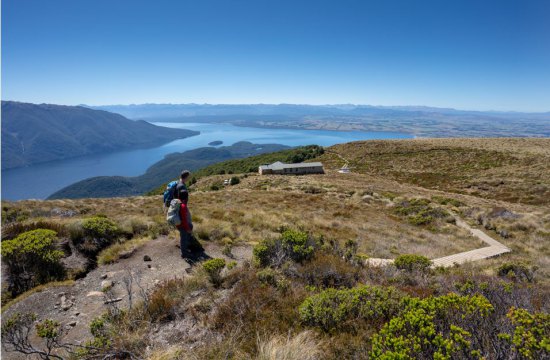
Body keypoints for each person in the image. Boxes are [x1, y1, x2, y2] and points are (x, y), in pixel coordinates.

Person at [176, 190, 193, 257]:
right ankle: (184, 254)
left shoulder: (177, 202)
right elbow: (184, 220)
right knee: (184, 238)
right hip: (182, 225)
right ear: (186, 197)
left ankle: (186, 246)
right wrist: (187, 228)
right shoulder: (182, 206)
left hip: (178, 223)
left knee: (184, 235)